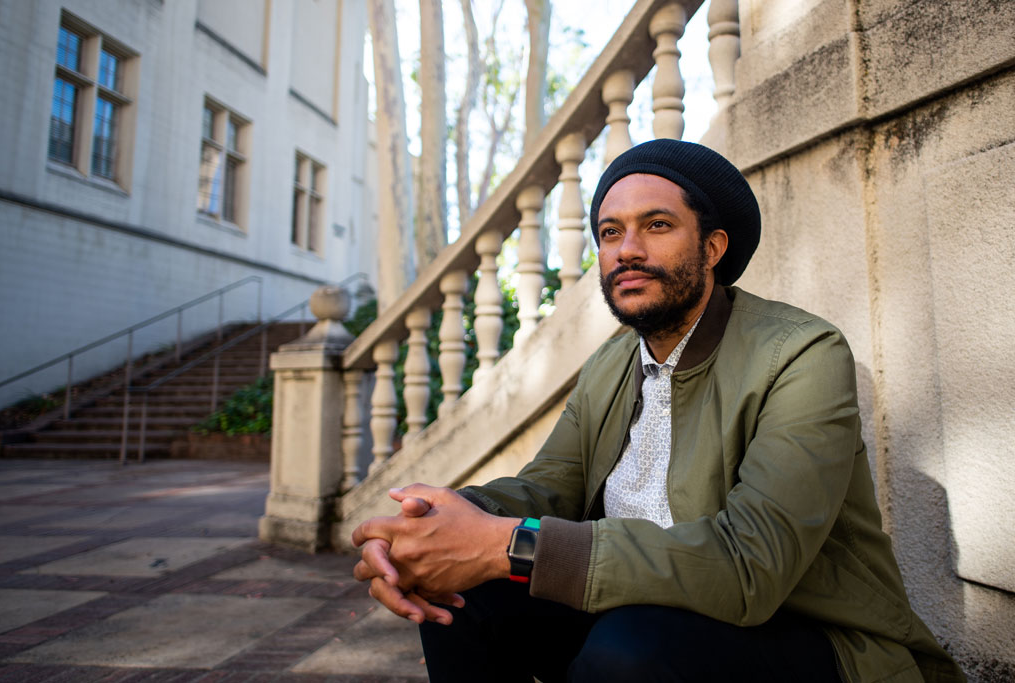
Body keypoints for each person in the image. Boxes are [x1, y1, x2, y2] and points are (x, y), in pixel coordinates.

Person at [352, 139, 965, 682]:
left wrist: (508, 546)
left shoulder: (801, 353)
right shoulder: (610, 364)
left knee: (629, 651)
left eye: (657, 225)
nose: (628, 249)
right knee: (461, 599)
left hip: (809, 635)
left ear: (714, 246)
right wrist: (445, 521)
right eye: (611, 231)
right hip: (639, 610)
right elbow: (548, 488)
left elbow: (751, 566)